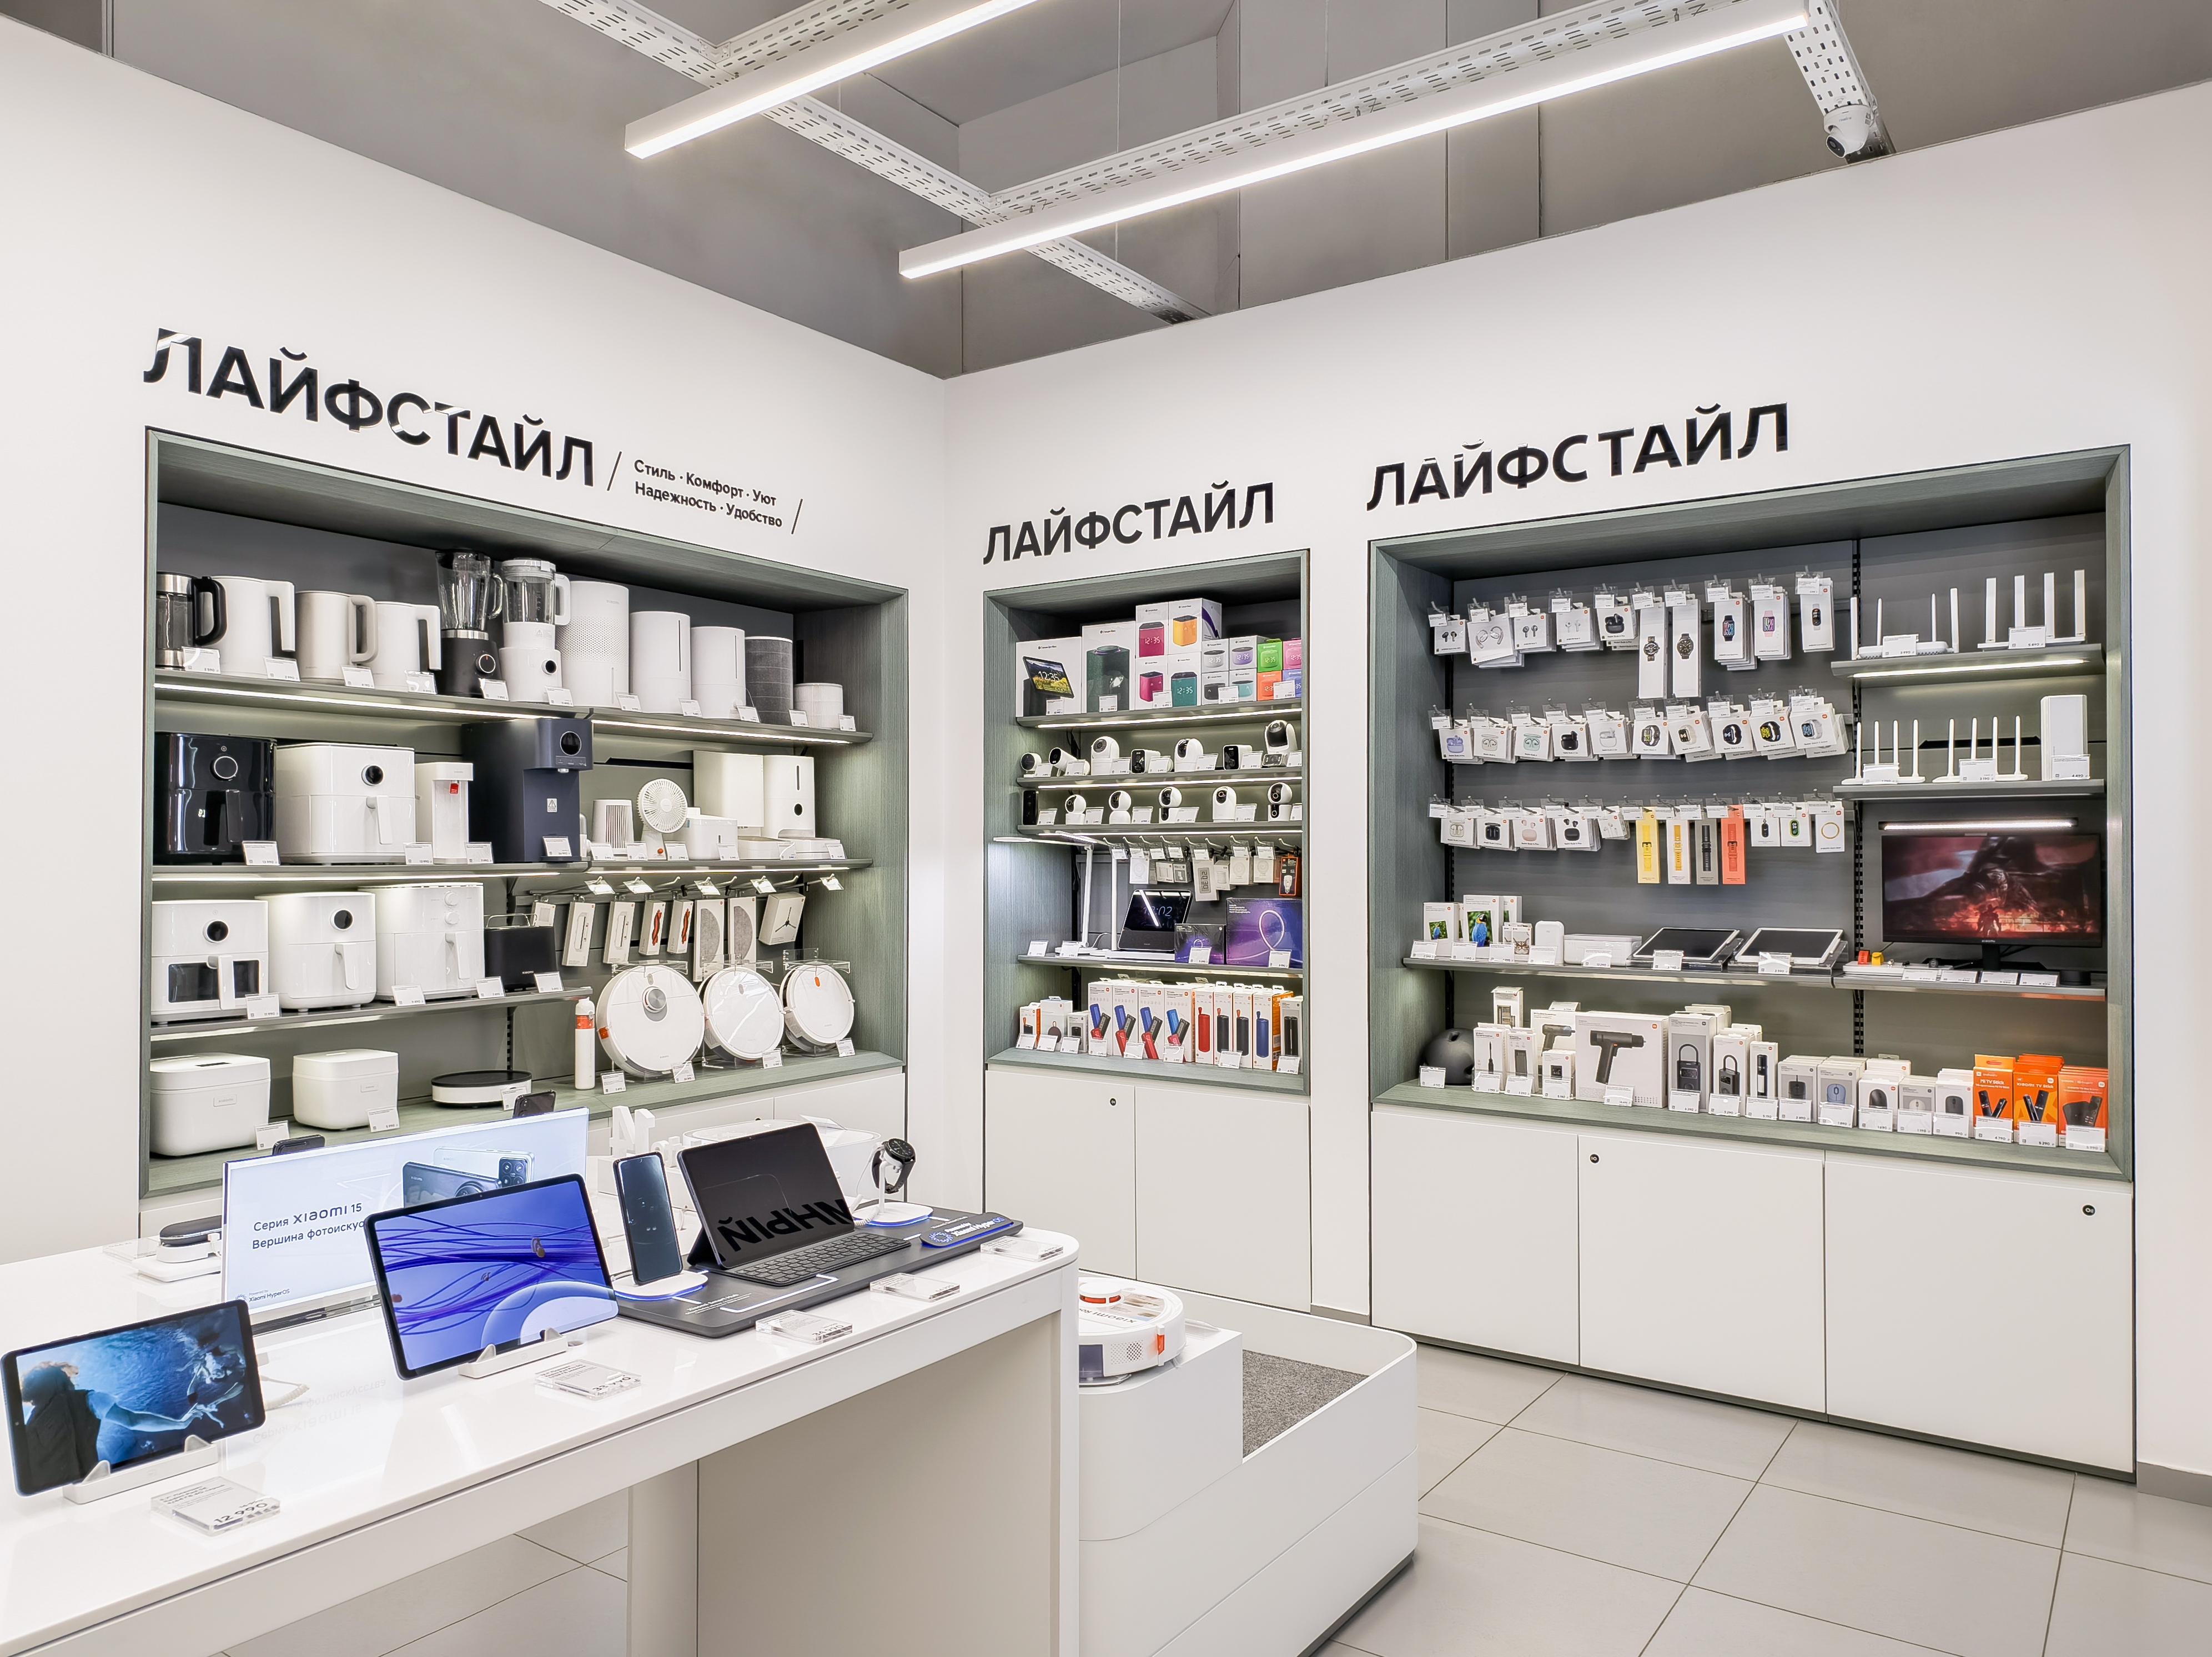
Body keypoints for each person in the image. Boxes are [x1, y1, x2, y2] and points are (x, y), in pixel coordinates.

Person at [17, 1362, 217, 1490]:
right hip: (82, 1483)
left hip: (45, 1487)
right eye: (67, 1377)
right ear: (61, 1380)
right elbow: (133, 1420)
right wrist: (180, 1424)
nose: (72, 1381)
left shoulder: (31, 1422)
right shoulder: (88, 1399)